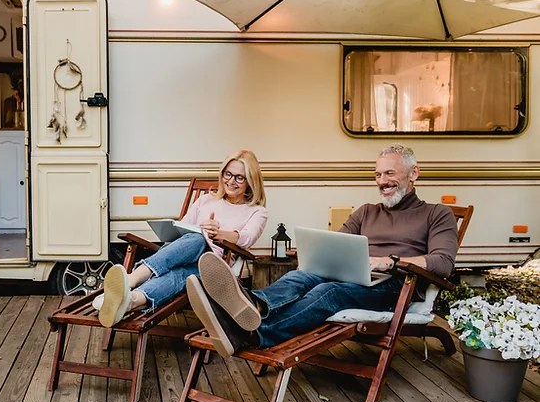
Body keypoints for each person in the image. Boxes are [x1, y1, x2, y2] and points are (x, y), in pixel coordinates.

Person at [187, 143, 458, 357]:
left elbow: (443, 263)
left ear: (414, 173)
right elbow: (338, 242)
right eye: (377, 174)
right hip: (356, 276)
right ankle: (252, 303)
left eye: (389, 173)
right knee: (301, 276)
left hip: (394, 286)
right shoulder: (366, 212)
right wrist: (312, 251)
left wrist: (391, 261)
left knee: (328, 292)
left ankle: (255, 334)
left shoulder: (436, 214)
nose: (382, 181)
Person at [97, 149, 268, 328]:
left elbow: (247, 238)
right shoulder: (206, 200)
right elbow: (184, 227)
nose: (231, 181)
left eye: (239, 177)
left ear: (250, 181)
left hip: (214, 268)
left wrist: (216, 234)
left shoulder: (256, 211)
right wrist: (189, 230)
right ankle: (130, 302)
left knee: (198, 240)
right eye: (228, 174)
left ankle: (131, 280)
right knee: (181, 271)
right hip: (184, 256)